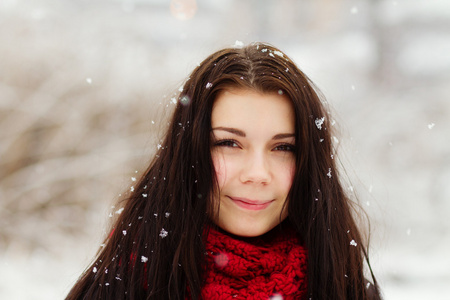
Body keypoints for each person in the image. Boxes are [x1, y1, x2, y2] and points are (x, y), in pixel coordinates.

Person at [66, 42, 381, 300]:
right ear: (189, 150)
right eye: (229, 143)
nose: (257, 173)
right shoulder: (123, 284)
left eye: (283, 148)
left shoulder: (343, 285)